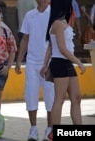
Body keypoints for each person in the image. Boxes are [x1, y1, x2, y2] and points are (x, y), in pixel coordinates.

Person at [40, 0, 86, 140]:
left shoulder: (63, 23)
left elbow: (50, 46)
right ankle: (54, 133)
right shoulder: (58, 24)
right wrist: (79, 62)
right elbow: (61, 48)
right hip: (60, 63)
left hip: (66, 63)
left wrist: (44, 64)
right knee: (59, 99)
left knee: (76, 98)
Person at [15, 0, 54, 140]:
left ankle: (50, 129)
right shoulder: (29, 15)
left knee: (51, 97)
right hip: (31, 62)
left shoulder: (55, 14)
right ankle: (33, 129)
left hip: (50, 62)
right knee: (31, 95)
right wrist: (19, 60)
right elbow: (25, 39)